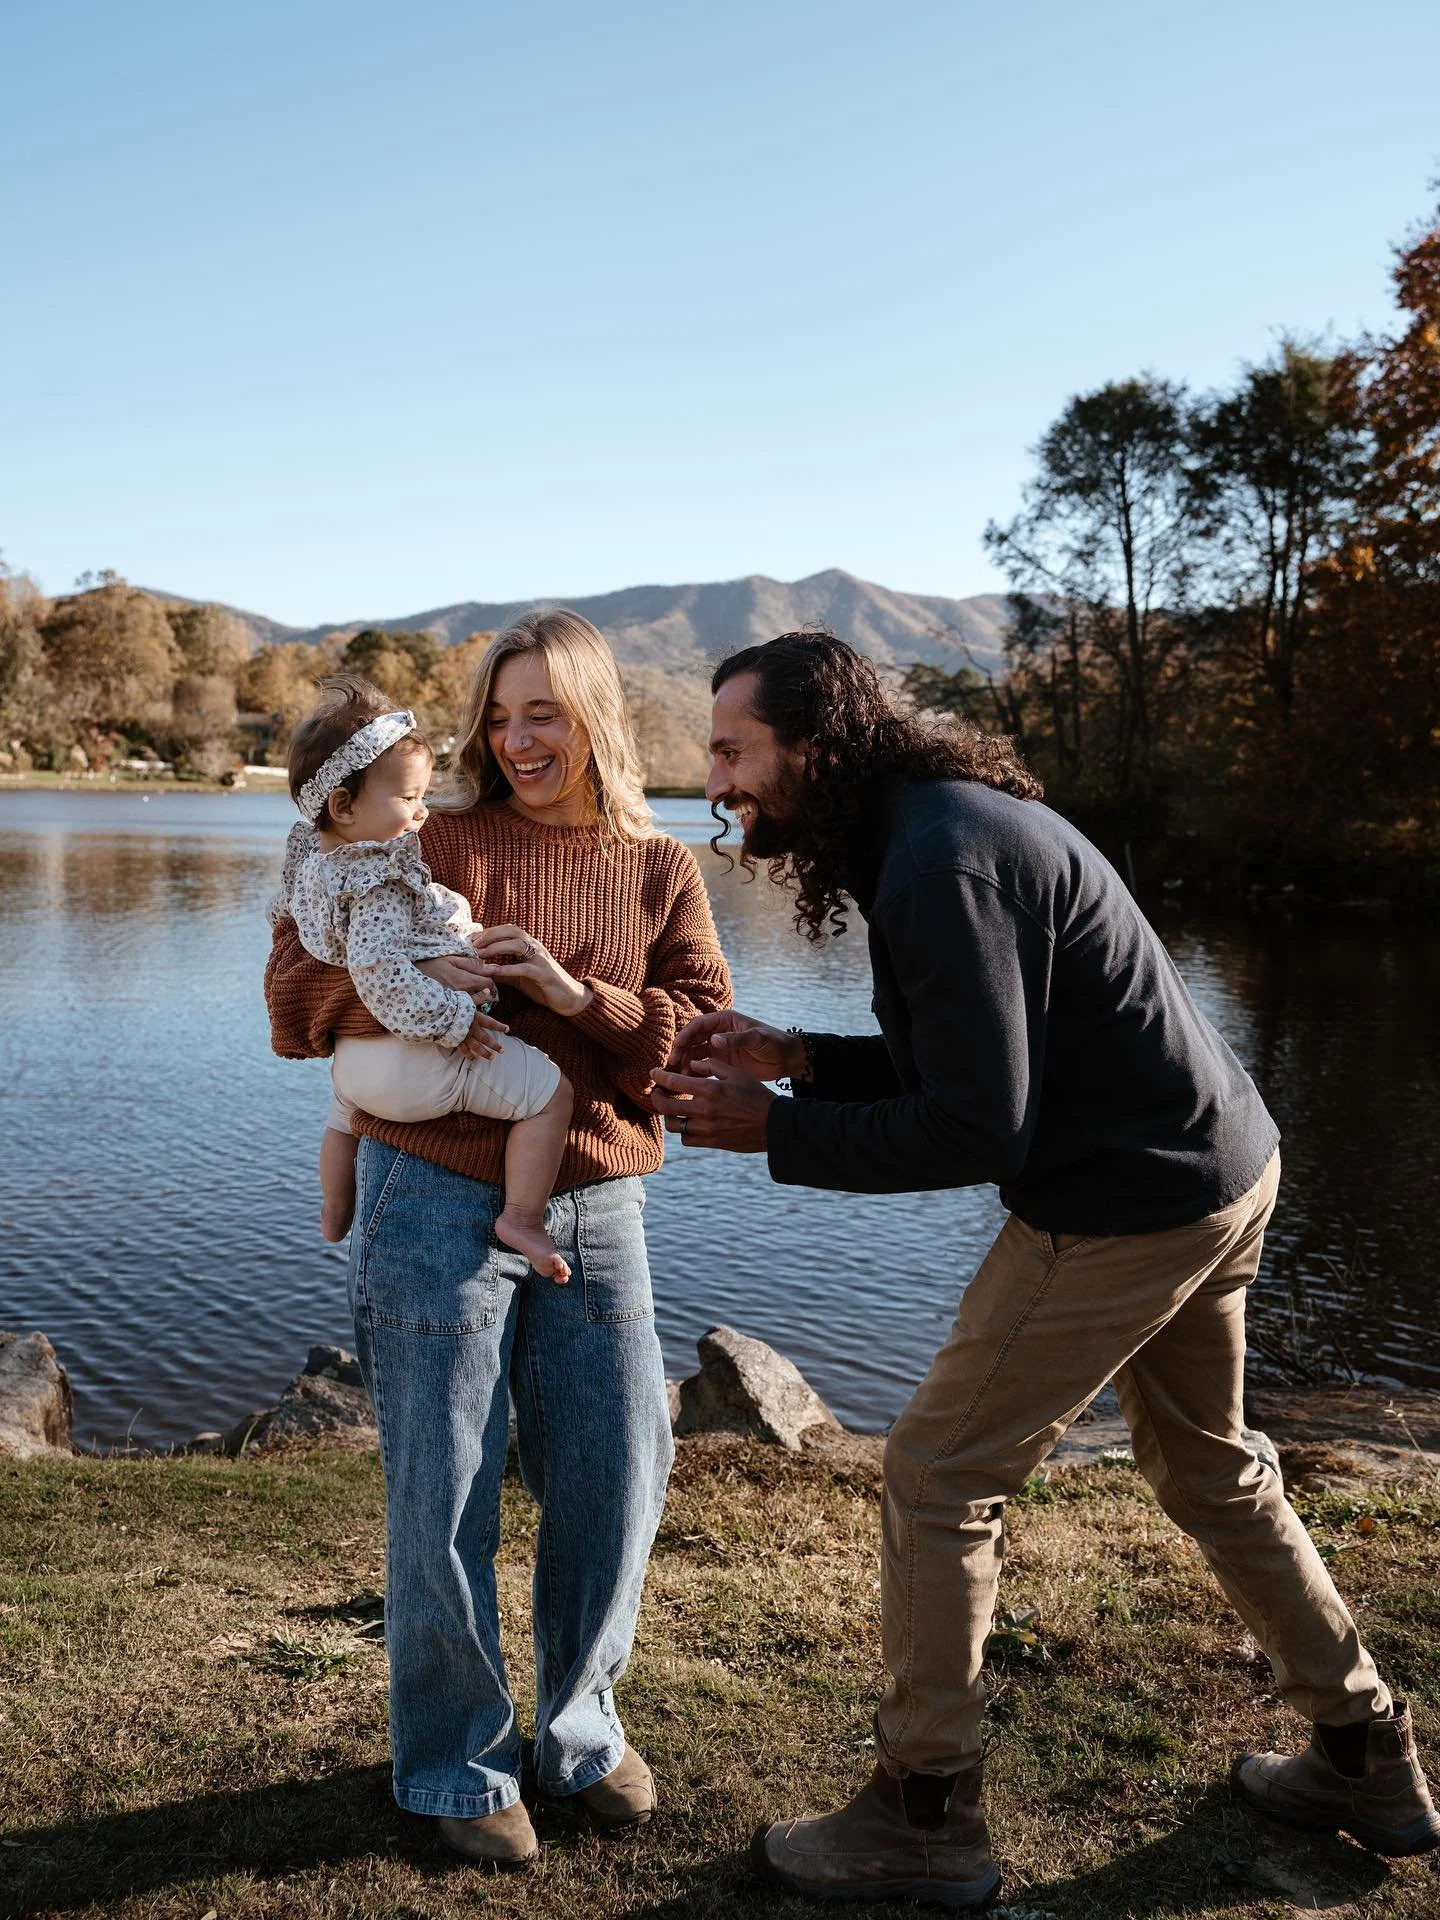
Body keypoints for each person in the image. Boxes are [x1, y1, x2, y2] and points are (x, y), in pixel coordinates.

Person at [651, 630, 1438, 1909]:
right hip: (1221, 1166)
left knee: (939, 1471)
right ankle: (1365, 1752)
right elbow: (979, 1054)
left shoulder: (940, 859)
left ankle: (923, 1818)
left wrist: (775, 1127)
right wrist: (803, 1054)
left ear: (818, 743)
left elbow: (978, 1124)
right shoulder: (933, 826)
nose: (719, 780)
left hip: (1131, 1203)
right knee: (1209, 1466)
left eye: (735, 751)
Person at [265, 609, 730, 1867]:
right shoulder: (429, 833)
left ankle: (579, 1735)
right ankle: (455, 1769)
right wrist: (429, 990)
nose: (519, 739)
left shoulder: (660, 864)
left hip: (602, 1204)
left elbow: (698, 1041)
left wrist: (575, 997)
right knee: (445, 1493)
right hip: (434, 1199)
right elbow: (294, 989)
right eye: (502, 713)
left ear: (597, 717)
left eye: (546, 712)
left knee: (616, 1475)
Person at [273, 673, 572, 1279]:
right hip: (418, 1065)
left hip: (356, 1078)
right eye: (409, 797)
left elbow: (331, 954)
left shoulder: (311, 864)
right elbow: (378, 972)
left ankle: (335, 1211)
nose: (422, 811)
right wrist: (452, 1019)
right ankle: (522, 1215)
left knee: (340, 1119)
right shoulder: (378, 877)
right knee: (550, 1095)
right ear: (343, 805)